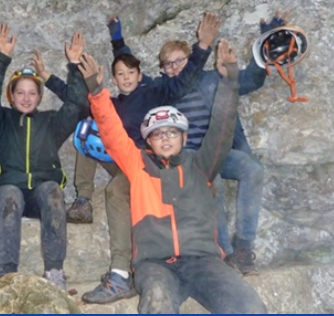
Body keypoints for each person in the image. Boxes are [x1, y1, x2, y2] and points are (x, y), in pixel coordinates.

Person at [86, 38, 268, 314]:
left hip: (204, 261)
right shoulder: (139, 166)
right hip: (154, 265)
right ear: (149, 142)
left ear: (184, 137)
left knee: (250, 307)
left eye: (172, 132)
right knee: (157, 301)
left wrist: (230, 82)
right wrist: (97, 90)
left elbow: (222, 129)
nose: (166, 138)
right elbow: (112, 134)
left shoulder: (200, 165)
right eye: (158, 134)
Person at [72, 14, 214, 305]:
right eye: (120, 75)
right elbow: (89, 94)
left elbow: (181, 82)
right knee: (87, 130)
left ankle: (121, 273)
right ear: (114, 79)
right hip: (121, 156)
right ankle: (83, 200)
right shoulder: (115, 100)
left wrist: (201, 48)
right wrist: (109, 43)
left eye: (131, 73)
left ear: (141, 75)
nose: (126, 77)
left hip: (143, 162)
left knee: (116, 190)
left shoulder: (153, 92)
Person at [159, 11, 290, 275]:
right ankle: (226, 253)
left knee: (253, 169)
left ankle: (243, 248)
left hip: (222, 151)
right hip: (191, 159)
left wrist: (266, 43)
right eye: (168, 64)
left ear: (191, 60)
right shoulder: (163, 92)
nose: (173, 68)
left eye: (178, 61)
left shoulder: (211, 79)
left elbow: (250, 79)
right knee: (212, 182)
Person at [0, 25, 91, 291]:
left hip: (39, 193)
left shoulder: (50, 122)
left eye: (32, 93)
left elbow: (78, 104)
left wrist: (74, 65)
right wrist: (0, 58)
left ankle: (55, 271)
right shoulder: (0, 120)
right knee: (10, 196)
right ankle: (7, 277)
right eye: (19, 92)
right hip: (8, 190)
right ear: (11, 95)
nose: (26, 97)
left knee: (54, 191)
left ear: (40, 97)